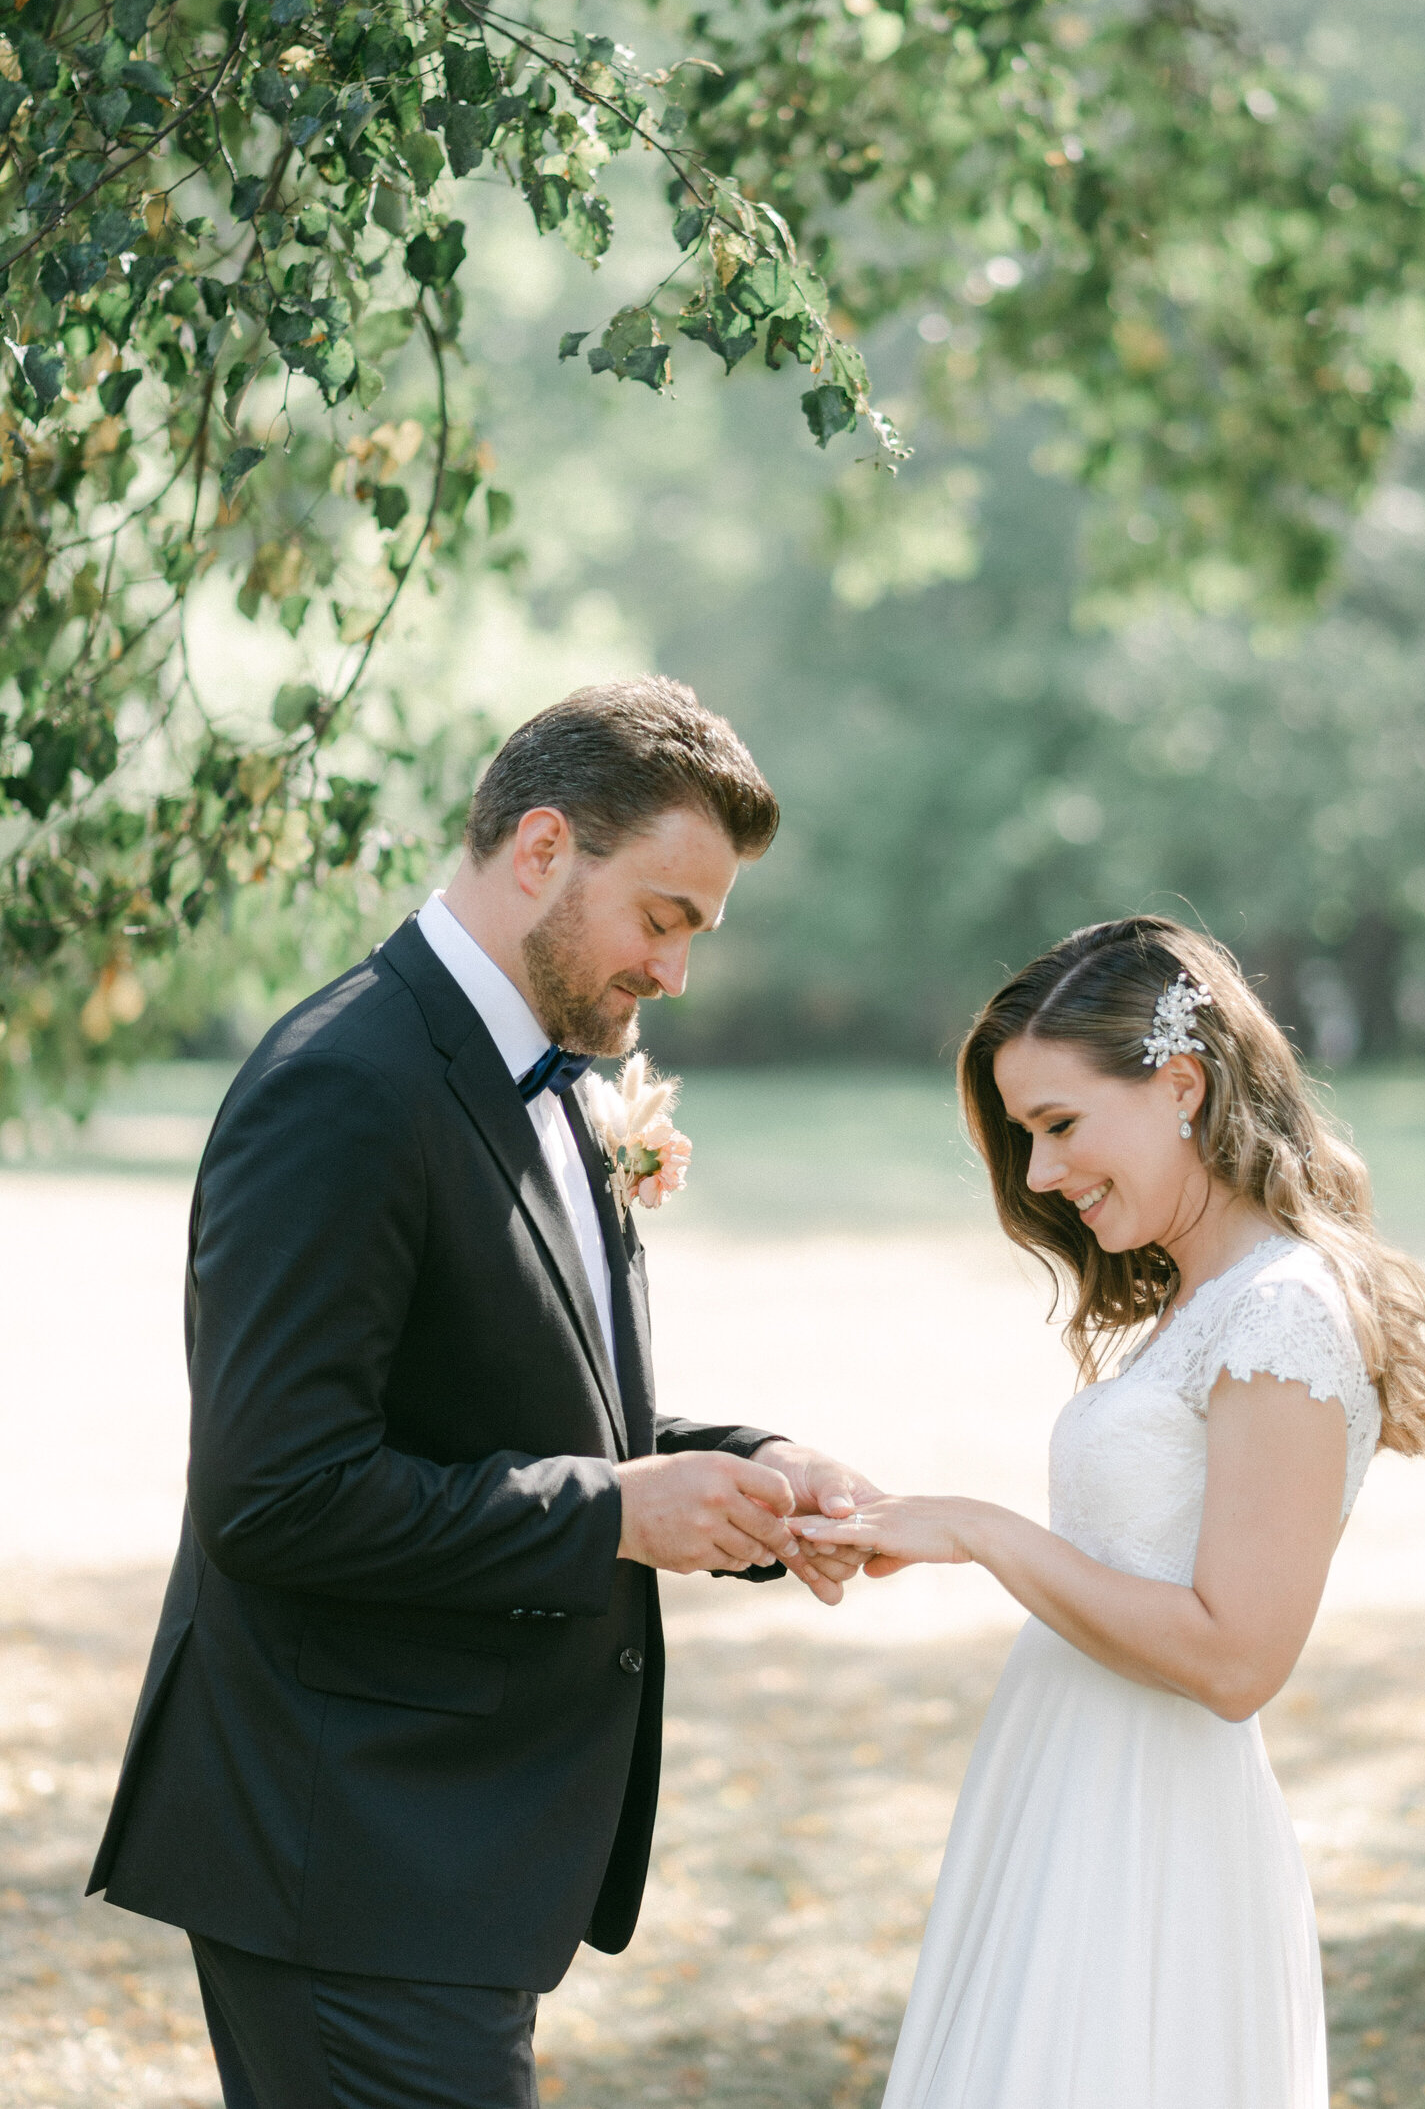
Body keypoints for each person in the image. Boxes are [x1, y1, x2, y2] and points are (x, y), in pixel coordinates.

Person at [88, 676, 876, 2109]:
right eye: (664, 917)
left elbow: (528, 1411)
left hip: (448, 1857)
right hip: (345, 1854)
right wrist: (616, 1516)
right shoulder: (343, 1086)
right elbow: (280, 1494)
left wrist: (745, 1466)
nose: (677, 971)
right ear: (540, 851)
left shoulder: (553, 1078)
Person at [795, 915, 1425, 2109]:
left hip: (1153, 1832)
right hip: (1063, 1791)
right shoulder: (1197, 1305)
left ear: (1181, 1085)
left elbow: (1237, 1654)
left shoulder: (1283, 1313)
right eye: (1023, 1135)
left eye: (1058, 1125)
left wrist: (987, 1533)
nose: (1040, 1172)